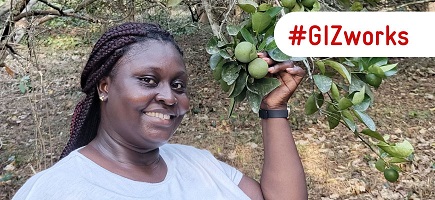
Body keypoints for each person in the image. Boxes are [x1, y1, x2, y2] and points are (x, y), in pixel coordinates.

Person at [13, 22, 307, 200]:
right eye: (148, 80)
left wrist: (274, 108)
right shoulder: (55, 190)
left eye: (178, 85)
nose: (169, 97)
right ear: (104, 87)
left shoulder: (199, 163)